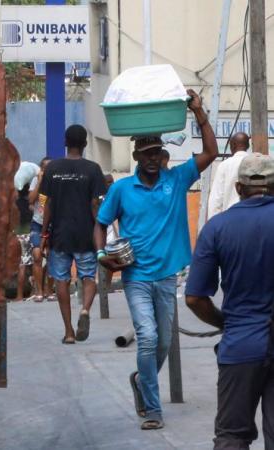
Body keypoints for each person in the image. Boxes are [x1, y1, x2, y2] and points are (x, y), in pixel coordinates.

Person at [94, 89, 217, 430]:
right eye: (145, 153)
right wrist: (103, 253)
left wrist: (199, 113)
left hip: (166, 277)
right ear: (136, 155)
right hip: (135, 277)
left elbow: (211, 151)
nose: (151, 158)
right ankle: (152, 408)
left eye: (156, 152)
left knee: (162, 341)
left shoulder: (176, 180)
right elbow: (101, 223)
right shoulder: (121, 189)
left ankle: (140, 381)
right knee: (147, 337)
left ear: (163, 155)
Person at [184, 153, 274, 449]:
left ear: (238, 188)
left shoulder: (217, 228)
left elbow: (195, 298)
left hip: (241, 344)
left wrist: (226, 322)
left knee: (232, 436)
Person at [40, 124, 106, 343]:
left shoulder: (52, 168)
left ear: (65, 143)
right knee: (88, 277)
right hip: (86, 234)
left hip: (59, 235)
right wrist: (101, 230)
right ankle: (85, 310)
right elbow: (95, 204)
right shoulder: (93, 169)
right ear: (85, 144)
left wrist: (43, 235)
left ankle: (68, 332)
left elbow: (47, 204)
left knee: (61, 280)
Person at [28, 157, 55, 302]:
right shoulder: (36, 181)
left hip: (53, 223)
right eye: (44, 168)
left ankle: (49, 289)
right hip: (38, 223)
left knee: (52, 256)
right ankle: (38, 291)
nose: (47, 171)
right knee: (37, 254)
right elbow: (31, 200)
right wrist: (39, 181)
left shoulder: (57, 182)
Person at [208, 132, 250, 218]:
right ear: (248, 146)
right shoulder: (256, 163)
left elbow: (216, 199)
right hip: (254, 219)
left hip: (230, 219)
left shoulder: (224, 165)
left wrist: (213, 225)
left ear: (233, 145)